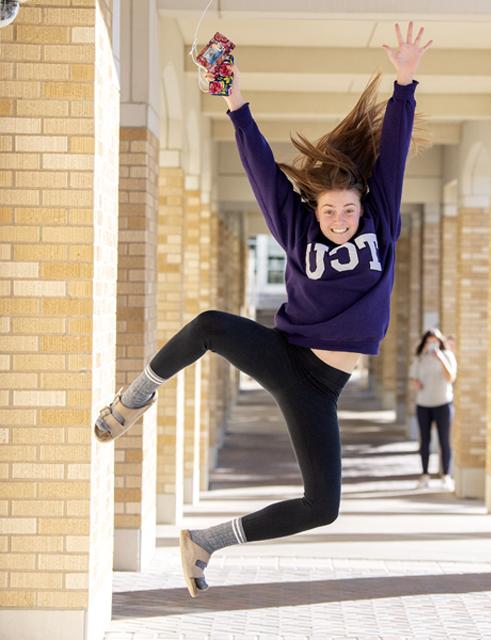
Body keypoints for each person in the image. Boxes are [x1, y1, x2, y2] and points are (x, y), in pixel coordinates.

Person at [93, 21, 432, 598]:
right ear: (316, 210)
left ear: (362, 207)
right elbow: (258, 169)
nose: (340, 221)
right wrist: (233, 98)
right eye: (329, 212)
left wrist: (405, 82)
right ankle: (136, 395)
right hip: (285, 356)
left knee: (322, 506)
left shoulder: (382, 223)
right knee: (207, 325)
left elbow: (394, 156)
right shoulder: (298, 232)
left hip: (320, 389)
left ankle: (207, 542)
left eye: (348, 211)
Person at [409, 328, 457, 490]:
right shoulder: (420, 357)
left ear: (440, 342)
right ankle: (424, 475)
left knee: (444, 440)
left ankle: (446, 476)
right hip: (423, 403)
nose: (432, 344)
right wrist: (416, 383)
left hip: (443, 403)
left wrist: (440, 358)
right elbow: (413, 378)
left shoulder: (447, 355)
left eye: (435, 341)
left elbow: (450, 377)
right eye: (429, 341)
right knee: (425, 441)